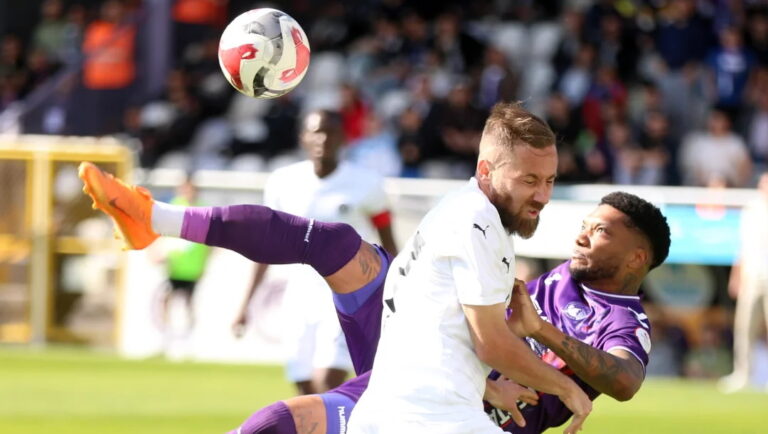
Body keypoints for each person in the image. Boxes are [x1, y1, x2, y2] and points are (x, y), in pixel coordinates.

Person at [76, 161, 670, 433]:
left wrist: (540, 340)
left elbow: (624, 382)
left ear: (637, 258)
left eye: (602, 229)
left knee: (289, 422)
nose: (582, 231)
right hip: (432, 364)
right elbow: (488, 330)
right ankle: (155, 216)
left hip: (455, 413)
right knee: (335, 244)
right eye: (587, 221)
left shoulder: (626, 322)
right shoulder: (555, 277)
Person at [349, 102, 591, 434]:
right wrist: (567, 389)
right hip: (429, 417)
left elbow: (433, 333)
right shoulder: (475, 221)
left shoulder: (464, 211)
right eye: (530, 180)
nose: (543, 195)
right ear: (486, 170)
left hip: (401, 411)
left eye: (549, 180)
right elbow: (489, 343)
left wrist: (489, 388)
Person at [232, 109, 397, 395]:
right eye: (316, 131)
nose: (323, 138)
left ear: (343, 138)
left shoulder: (367, 184)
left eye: (330, 131)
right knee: (304, 386)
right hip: (299, 295)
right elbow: (264, 248)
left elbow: (389, 245)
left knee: (328, 381)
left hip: (349, 296)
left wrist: (393, 296)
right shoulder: (283, 183)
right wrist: (245, 303)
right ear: (303, 138)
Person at [719, 172, 768, 393]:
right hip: (751, 277)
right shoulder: (752, 209)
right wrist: (736, 276)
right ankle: (743, 375)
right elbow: (743, 246)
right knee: (744, 327)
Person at [159, 177, 210, 332]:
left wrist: (205, 263)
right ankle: (165, 330)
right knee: (168, 297)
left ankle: (189, 332)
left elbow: (208, 243)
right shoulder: (175, 206)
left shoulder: (203, 210)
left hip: (193, 265)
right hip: (176, 262)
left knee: (189, 300)